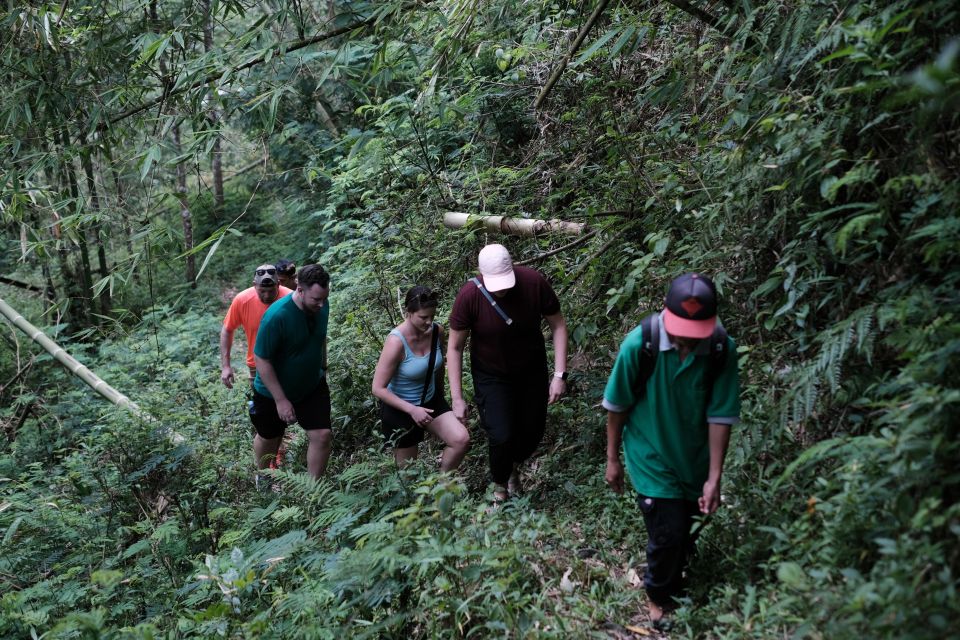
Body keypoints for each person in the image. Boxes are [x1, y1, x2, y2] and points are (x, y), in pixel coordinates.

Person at [603, 273, 741, 626]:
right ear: (666, 315)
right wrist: (613, 459)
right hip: (650, 454)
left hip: (693, 455)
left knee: (689, 526)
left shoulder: (721, 349)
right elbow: (617, 406)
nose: (686, 342)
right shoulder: (640, 345)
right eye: (681, 331)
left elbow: (720, 416)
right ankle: (658, 598)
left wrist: (714, 478)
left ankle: (677, 574)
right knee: (669, 530)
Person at [447, 243, 569, 502]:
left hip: (531, 371)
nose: (502, 288)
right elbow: (455, 348)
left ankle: (512, 466)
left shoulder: (534, 283)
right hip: (491, 375)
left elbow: (558, 325)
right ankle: (500, 487)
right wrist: (457, 397)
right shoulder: (469, 296)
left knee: (531, 432)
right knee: (501, 434)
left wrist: (559, 375)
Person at [372, 286, 470, 471]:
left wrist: (442, 401)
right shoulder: (395, 342)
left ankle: (441, 488)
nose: (429, 322)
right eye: (423, 317)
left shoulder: (437, 332)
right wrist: (412, 410)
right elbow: (377, 388)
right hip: (400, 409)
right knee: (408, 474)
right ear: (409, 313)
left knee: (461, 440)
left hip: (430, 400)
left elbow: (438, 368)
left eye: (432, 316)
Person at [251, 263, 333, 480]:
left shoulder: (322, 306)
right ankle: (263, 476)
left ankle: (313, 489)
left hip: (311, 386)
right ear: (299, 290)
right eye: (316, 299)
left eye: (324, 297)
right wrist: (281, 400)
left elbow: (320, 338)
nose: (321, 303)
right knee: (270, 437)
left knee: (322, 435)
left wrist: (323, 368)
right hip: (271, 393)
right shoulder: (276, 316)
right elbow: (262, 359)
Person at [220, 264, 293, 389]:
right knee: (261, 404)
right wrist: (226, 366)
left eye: (271, 291)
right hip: (256, 365)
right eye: (262, 291)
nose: (266, 295)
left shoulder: (291, 299)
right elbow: (227, 330)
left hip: (288, 362)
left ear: (279, 284)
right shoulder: (242, 300)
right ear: (254, 285)